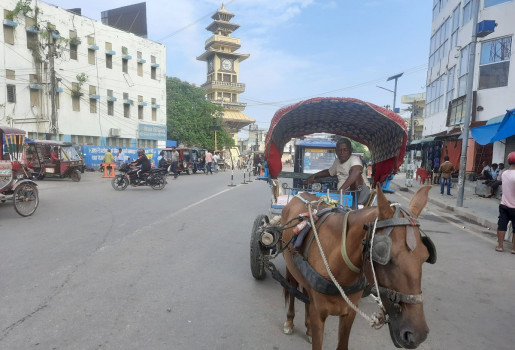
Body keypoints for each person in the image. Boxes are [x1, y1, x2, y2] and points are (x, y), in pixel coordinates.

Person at [306, 138, 370, 205]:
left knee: (356, 174)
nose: (342, 153)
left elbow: (357, 171)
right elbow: (329, 172)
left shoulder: (355, 159)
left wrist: (342, 189)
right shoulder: (337, 161)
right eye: (340, 150)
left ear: (351, 150)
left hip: (360, 193)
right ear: (336, 151)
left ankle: (355, 206)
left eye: (345, 150)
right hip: (344, 194)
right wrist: (314, 175)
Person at [495, 152, 515, 253]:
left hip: (504, 205)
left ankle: (500, 246)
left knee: (502, 225)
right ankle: (514, 249)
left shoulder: (505, 173)